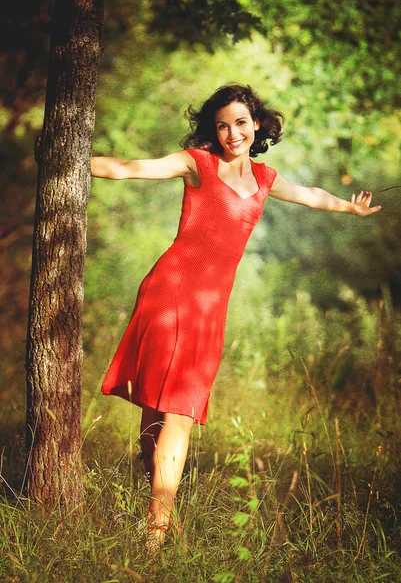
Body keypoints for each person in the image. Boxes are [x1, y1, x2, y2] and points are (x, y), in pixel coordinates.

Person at [91, 83, 381, 546]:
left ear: (257, 124)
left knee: (173, 413)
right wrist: (72, 161)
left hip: (210, 310)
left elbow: (308, 194)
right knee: (161, 411)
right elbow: (131, 170)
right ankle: (157, 530)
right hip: (169, 293)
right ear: (213, 129)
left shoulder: (265, 179)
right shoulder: (196, 163)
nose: (231, 134)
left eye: (240, 123)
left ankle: (158, 523)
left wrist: (348, 206)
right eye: (222, 125)